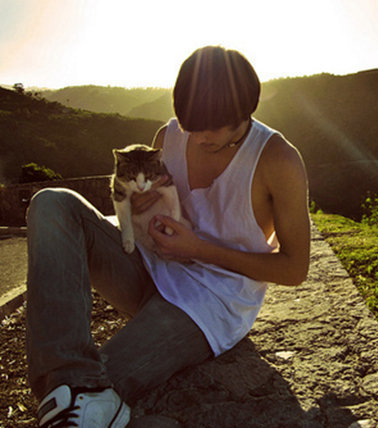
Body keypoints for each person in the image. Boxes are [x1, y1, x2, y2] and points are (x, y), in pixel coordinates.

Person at [26, 45, 310, 427]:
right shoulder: (170, 134)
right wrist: (142, 206)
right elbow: (151, 197)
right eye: (189, 123)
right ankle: (70, 382)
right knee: (52, 203)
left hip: (209, 302)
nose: (197, 135)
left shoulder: (277, 159)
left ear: (244, 112)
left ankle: (81, 397)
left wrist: (198, 249)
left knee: (89, 389)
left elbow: (294, 269)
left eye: (211, 127)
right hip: (146, 267)